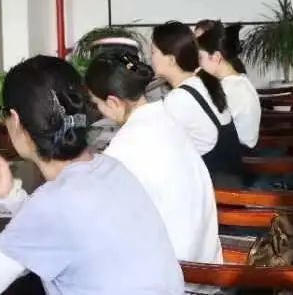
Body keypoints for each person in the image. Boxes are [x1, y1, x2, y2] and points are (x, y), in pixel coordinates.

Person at [0, 56, 184, 295]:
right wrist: (11, 195)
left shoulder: (53, 204)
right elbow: (57, 228)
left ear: (15, 120)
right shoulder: (111, 168)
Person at [85, 53, 222, 264]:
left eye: (97, 104)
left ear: (113, 101)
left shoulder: (124, 148)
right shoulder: (166, 118)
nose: (100, 111)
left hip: (179, 269)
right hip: (204, 254)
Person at [152, 21, 243, 185]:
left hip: (218, 191)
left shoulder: (179, 99)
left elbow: (160, 149)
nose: (150, 58)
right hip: (230, 181)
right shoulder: (201, 82)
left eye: (153, 52)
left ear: (171, 60)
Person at [197, 20, 261, 149]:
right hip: (239, 145)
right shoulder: (238, 79)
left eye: (200, 58)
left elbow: (207, 126)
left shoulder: (230, 88)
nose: (198, 63)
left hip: (240, 151)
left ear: (216, 57)